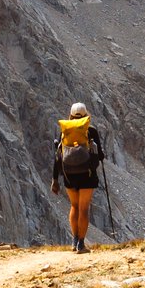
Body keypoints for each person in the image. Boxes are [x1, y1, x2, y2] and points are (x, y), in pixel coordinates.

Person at [49, 101, 105, 252]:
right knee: (84, 208)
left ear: (71, 115)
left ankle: (74, 241)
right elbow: (100, 155)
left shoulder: (65, 131)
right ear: (86, 115)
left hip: (69, 176)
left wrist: (55, 180)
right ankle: (81, 243)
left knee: (74, 206)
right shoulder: (91, 130)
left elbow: (58, 157)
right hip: (87, 175)